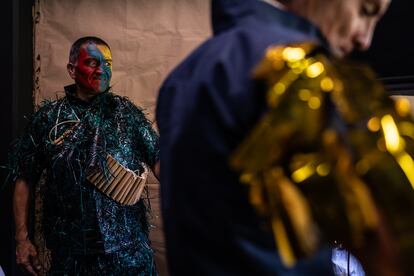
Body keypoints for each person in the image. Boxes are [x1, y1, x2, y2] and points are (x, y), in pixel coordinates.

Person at [155, 0, 406, 275]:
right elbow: (394, 241)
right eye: (365, 11)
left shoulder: (184, 78)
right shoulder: (299, 70)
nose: (365, 39)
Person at [10, 36, 160, 275]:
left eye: (108, 63)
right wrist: (22, 240)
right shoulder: (49, 119)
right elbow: (24, 178)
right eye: (92, 62)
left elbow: (160, 162)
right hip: (71, 257)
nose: (102, 70)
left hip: (129, 254)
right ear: (72, 69)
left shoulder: (127, 116)